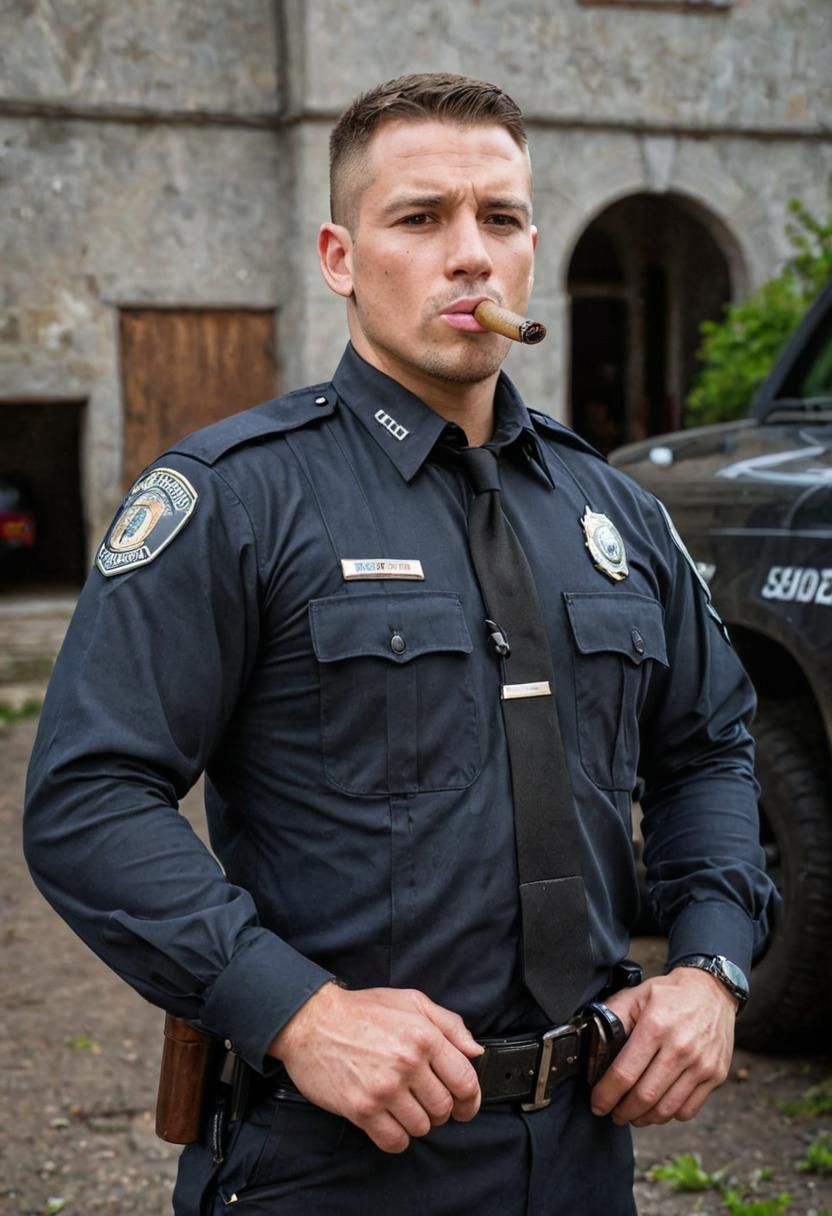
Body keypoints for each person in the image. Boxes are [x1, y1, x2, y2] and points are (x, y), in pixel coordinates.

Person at [24, 73, 778, 1215]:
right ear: (340, 257)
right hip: (330, 1160)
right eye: (420, 219)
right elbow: (91, 796)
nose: (469, 255)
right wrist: (296, 1008)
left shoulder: (611, 511)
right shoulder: (236, 500)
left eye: (503, 219)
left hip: (582, 1153)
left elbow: (708, 746)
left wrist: (712, 964)